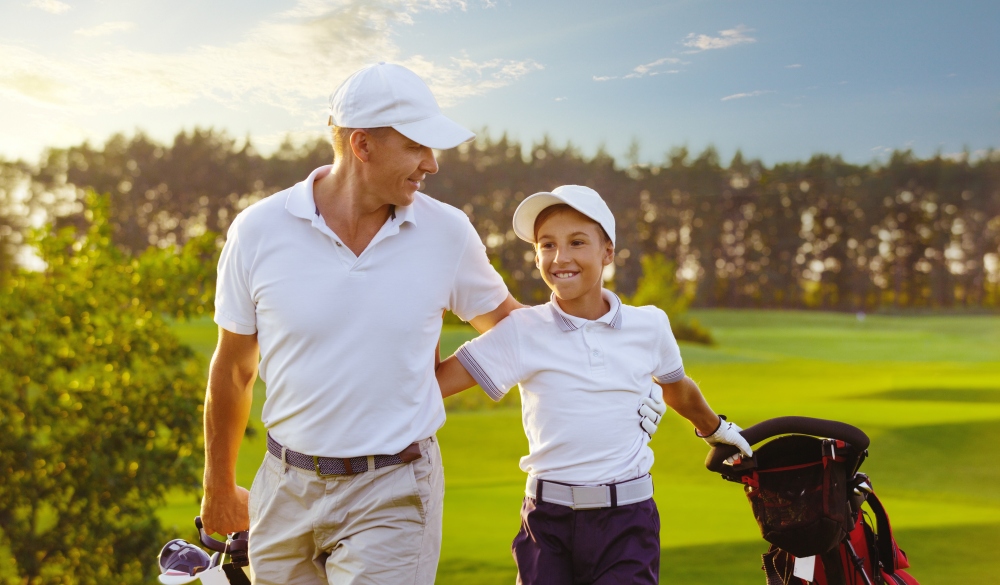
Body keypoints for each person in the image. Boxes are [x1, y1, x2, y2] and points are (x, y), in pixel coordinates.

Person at [199, 62, 524, 585]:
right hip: (283, 488)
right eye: (417, 146)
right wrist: (218, 486)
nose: (432, 165)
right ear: (362, 144)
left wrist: (436, 383)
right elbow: (233, 369)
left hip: (394, 489)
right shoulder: (257, 230)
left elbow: (514, 328)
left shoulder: (447, 232)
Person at [435, 185, 754, 584]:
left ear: (607, 252)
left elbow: (676, 387)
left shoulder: (650, 323)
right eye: (546, 245)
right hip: (546, 522)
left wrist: (717, 429)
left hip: (627, 520)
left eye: (577, 242)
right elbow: (436, 383)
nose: (560, 258)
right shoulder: (522, 330)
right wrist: (427, 304)